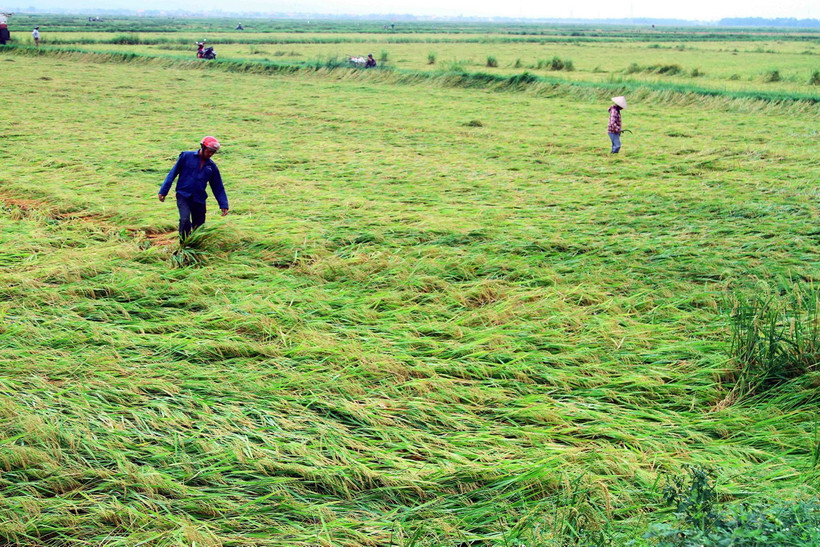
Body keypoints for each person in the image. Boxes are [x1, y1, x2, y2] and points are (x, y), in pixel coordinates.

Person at [158, 136, 229, 239]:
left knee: (199, 227)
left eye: (213, 152)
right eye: (209, 151)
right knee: (185, 220)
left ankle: (195, 247)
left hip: (199, 199)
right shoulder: (186, 157)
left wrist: (223, 204)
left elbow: (218, 186)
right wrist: (163, 191)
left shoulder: (212, 167)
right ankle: (184, 245)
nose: (210, 154)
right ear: (203, 147)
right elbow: (172, 173)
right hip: (183, 195)